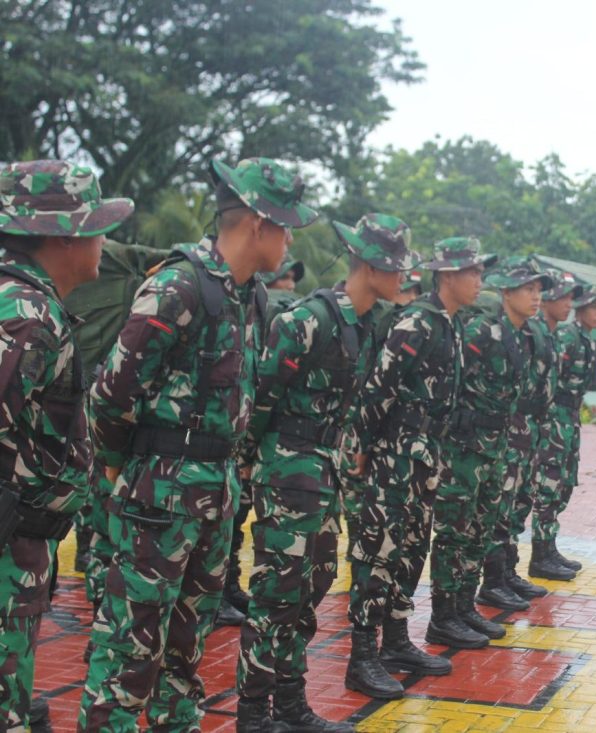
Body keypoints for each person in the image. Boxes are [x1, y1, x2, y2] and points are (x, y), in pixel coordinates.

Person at [79, 157, 317, 732]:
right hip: (158, 495)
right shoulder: (177, 284)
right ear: (257, 223)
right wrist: (117, 468)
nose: (289, 240)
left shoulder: (251, 297)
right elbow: (110, 393)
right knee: (129, 652)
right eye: (285, 227)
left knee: (186, 652)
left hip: (215, 494)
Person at [234, 214, 412, 731]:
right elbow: (259, 400)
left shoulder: (364, 326)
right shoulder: (307, 321)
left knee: (310, 590)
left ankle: (291, 706)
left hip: (323, 473)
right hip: (287, 473)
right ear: (370, 267)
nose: (403, 277)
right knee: (275, 596)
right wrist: (250, 465)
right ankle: (253, 715)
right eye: (396, 267)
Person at [0, 160, 133, 732]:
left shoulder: (27, 304)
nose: (104, 243)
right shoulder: (25, 314)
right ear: (63, 235)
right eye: (97, 228)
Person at [344, 237, 491, 698]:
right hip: (397, 454)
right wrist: (361, 447)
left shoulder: (449, 324)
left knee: (411, 549)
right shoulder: (417, 323)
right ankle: (362, 656)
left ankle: (395, 641)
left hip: (427, 455)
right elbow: (377, 389)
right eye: (472, 272)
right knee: (379, 551)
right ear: (446, 275)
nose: (479, 280)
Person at [428, 257, 551, 647]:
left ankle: (464, 607)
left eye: (538, 290)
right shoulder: (479, 331)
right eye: (528, 289)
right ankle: (443, 615)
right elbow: (452, 384)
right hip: (465, 448)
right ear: (507, 293)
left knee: (479, 530)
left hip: (495, 447)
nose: (536, 297)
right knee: (454, 532)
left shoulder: (516, 334)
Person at [218, 256, 308, 628]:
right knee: (230, 516)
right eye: (284, 279)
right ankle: (220, 592)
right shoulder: (266, 306)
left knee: (235, 515)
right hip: (243, 424)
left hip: (248, 419)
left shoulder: (263, 307)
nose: (290, 286)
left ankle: (227, 587)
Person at [504, 267, 581, 597]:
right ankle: (501, 575)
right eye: (561, 297)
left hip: (540, 425)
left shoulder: (546, 334)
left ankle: (514, 569)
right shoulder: (530, 333)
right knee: (510, 503)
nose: (567, 304)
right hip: (521, 426)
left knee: (526, 497)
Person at [529, 285, 596, 580]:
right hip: (555, 417)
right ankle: (540, 555)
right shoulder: (568, 337)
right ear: (581, 309)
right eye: (595, 307)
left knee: (563, 483)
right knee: (548, 484)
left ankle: (549, 548)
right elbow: (550, 379)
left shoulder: (586, 340)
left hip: (570, 418)